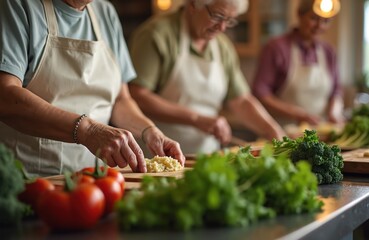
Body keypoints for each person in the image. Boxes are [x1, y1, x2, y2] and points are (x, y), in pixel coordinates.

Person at [0, 0, 185, 177]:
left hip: (94, 178)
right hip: (31, 176)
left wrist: (149, 131)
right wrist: (88, 130)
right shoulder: (18, 5)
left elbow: (120, 99)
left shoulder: (105, 12)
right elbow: (5, 96)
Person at [128, 0, 286, 155]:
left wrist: (272, 130)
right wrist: (196, 118)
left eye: (229, 20)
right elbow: (137, 96)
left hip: (206, 155)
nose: (222, 27)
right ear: (192, 6)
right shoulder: (157, 34)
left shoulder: (223, 47)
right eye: (217, 16)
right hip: (156, 155)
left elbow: (241, 100)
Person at [252, 0, 345, 128]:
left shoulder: (329, 52)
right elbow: (260, 93)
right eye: (314, 18)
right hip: (283, 132)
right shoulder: (276, 48)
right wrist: (296, 114)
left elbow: (336, 92)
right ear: (299, 14)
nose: (319, 26)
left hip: (320, 133)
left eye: (326, 21)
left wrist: (335, 112)